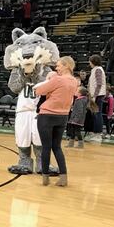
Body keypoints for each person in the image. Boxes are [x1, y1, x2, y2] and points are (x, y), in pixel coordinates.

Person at [34, 56, 77, 187]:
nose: (56, 68)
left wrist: (50, 78)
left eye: (58, 66)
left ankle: (45, 178)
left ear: (66, 66)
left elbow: (38, 90)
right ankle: (63, 177)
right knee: (57, 147)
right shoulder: (74, 81)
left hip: (47, 115)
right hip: (63, 116)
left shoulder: (57, 79)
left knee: (45, 147)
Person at [87, 55, 107, 142]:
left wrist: (94, 96)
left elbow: (99, 83)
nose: (89, 63)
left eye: (90, 61)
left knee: (97, 113)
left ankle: (98, 134)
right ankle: (94, 132)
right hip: (95, 95)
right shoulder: (95, 69)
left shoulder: (98, 69)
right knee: (94, 114)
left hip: (98, 95)